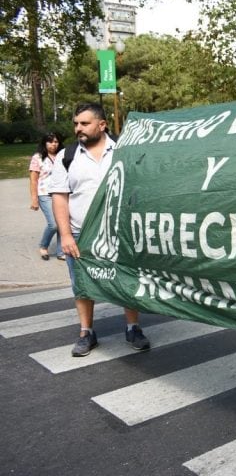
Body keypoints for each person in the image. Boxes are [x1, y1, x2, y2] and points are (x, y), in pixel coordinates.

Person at [49, 102, 151, 357]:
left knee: (126, 280)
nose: (78, 128)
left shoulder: (124, 151)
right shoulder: (67, 156)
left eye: (84, 123)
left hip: (120, 232)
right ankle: (86, 333)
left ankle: (133, 327)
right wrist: (65, 235)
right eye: (76, 124)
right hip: (80, 235)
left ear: (102, 125)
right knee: (82, 285)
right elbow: (60, 197)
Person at [29, 132, 65, 261]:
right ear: (45, 143)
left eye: (56, 142)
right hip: (45, 194)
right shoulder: (37, 157)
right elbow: (33, 180)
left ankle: (61, 252)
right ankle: (43, 246)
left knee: (63, 222)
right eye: (50, 142)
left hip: (62, 193)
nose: (53, 144)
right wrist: (34, 199)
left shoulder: (63, 155)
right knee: (54, 224)